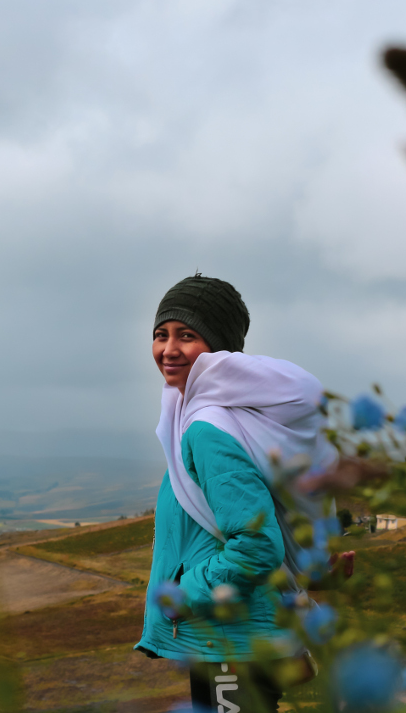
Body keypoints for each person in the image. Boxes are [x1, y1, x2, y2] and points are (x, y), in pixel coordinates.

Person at [134, 274, 337, 713]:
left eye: (187, 336)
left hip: (232, 639)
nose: (168, 349)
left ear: (218, 346)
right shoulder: (225, 417)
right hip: (233, 633)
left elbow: (257, 546)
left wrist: (183, 592)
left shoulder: (208, 428)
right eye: (160, 335)